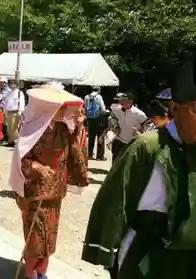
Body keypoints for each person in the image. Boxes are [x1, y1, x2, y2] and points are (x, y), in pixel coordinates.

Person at [82, 57, 196, 279]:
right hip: (148, 255)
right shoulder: (148, 146)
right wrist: (108, 251)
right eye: (194, 110)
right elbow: (117, 200)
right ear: (174, 108)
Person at [10, 83, 88, 279]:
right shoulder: (32, 128)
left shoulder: (63, 128)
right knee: (35, 235)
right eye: (60, 106)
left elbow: (75, 152)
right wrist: (38, 168)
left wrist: (79, 127)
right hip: (35, 191)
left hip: (54, 190)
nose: (63, 110)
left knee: (50, 234)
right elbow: (23, 157)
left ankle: (41, 269)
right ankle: (30, 272)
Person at [109, 92, 149, 162]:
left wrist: (141, 132)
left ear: (131, 101)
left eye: (124, 100)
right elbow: (112, 116)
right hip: (119, 140)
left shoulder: (138, 113)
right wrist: (116, 126)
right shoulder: (117, 109)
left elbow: (148, 124)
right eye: (121, 100)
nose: (121, 102)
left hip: (132, 142)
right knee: (115, 162)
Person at [84, 86, 107, 161]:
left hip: (90, 119)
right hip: (98, 119)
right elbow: (103, 109)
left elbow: (85, 108)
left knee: (91, 137)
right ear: (99, 90)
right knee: (100, 136)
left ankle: (90, 154)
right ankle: (100, 156)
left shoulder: (86, 97)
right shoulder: (99, 97)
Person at [4, 79, 26, 145]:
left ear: (16, 84)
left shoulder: (19, 93)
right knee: (9, 129)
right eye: (10, 83)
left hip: (16, 112)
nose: (11, 85)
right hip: (9, 112)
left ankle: (18, 142)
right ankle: (11, 141)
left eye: (13, 83)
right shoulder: (9, 93)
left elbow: (22, 102)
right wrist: (5, 111)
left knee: (15, 128)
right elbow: (6, 103)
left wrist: (20, 111)